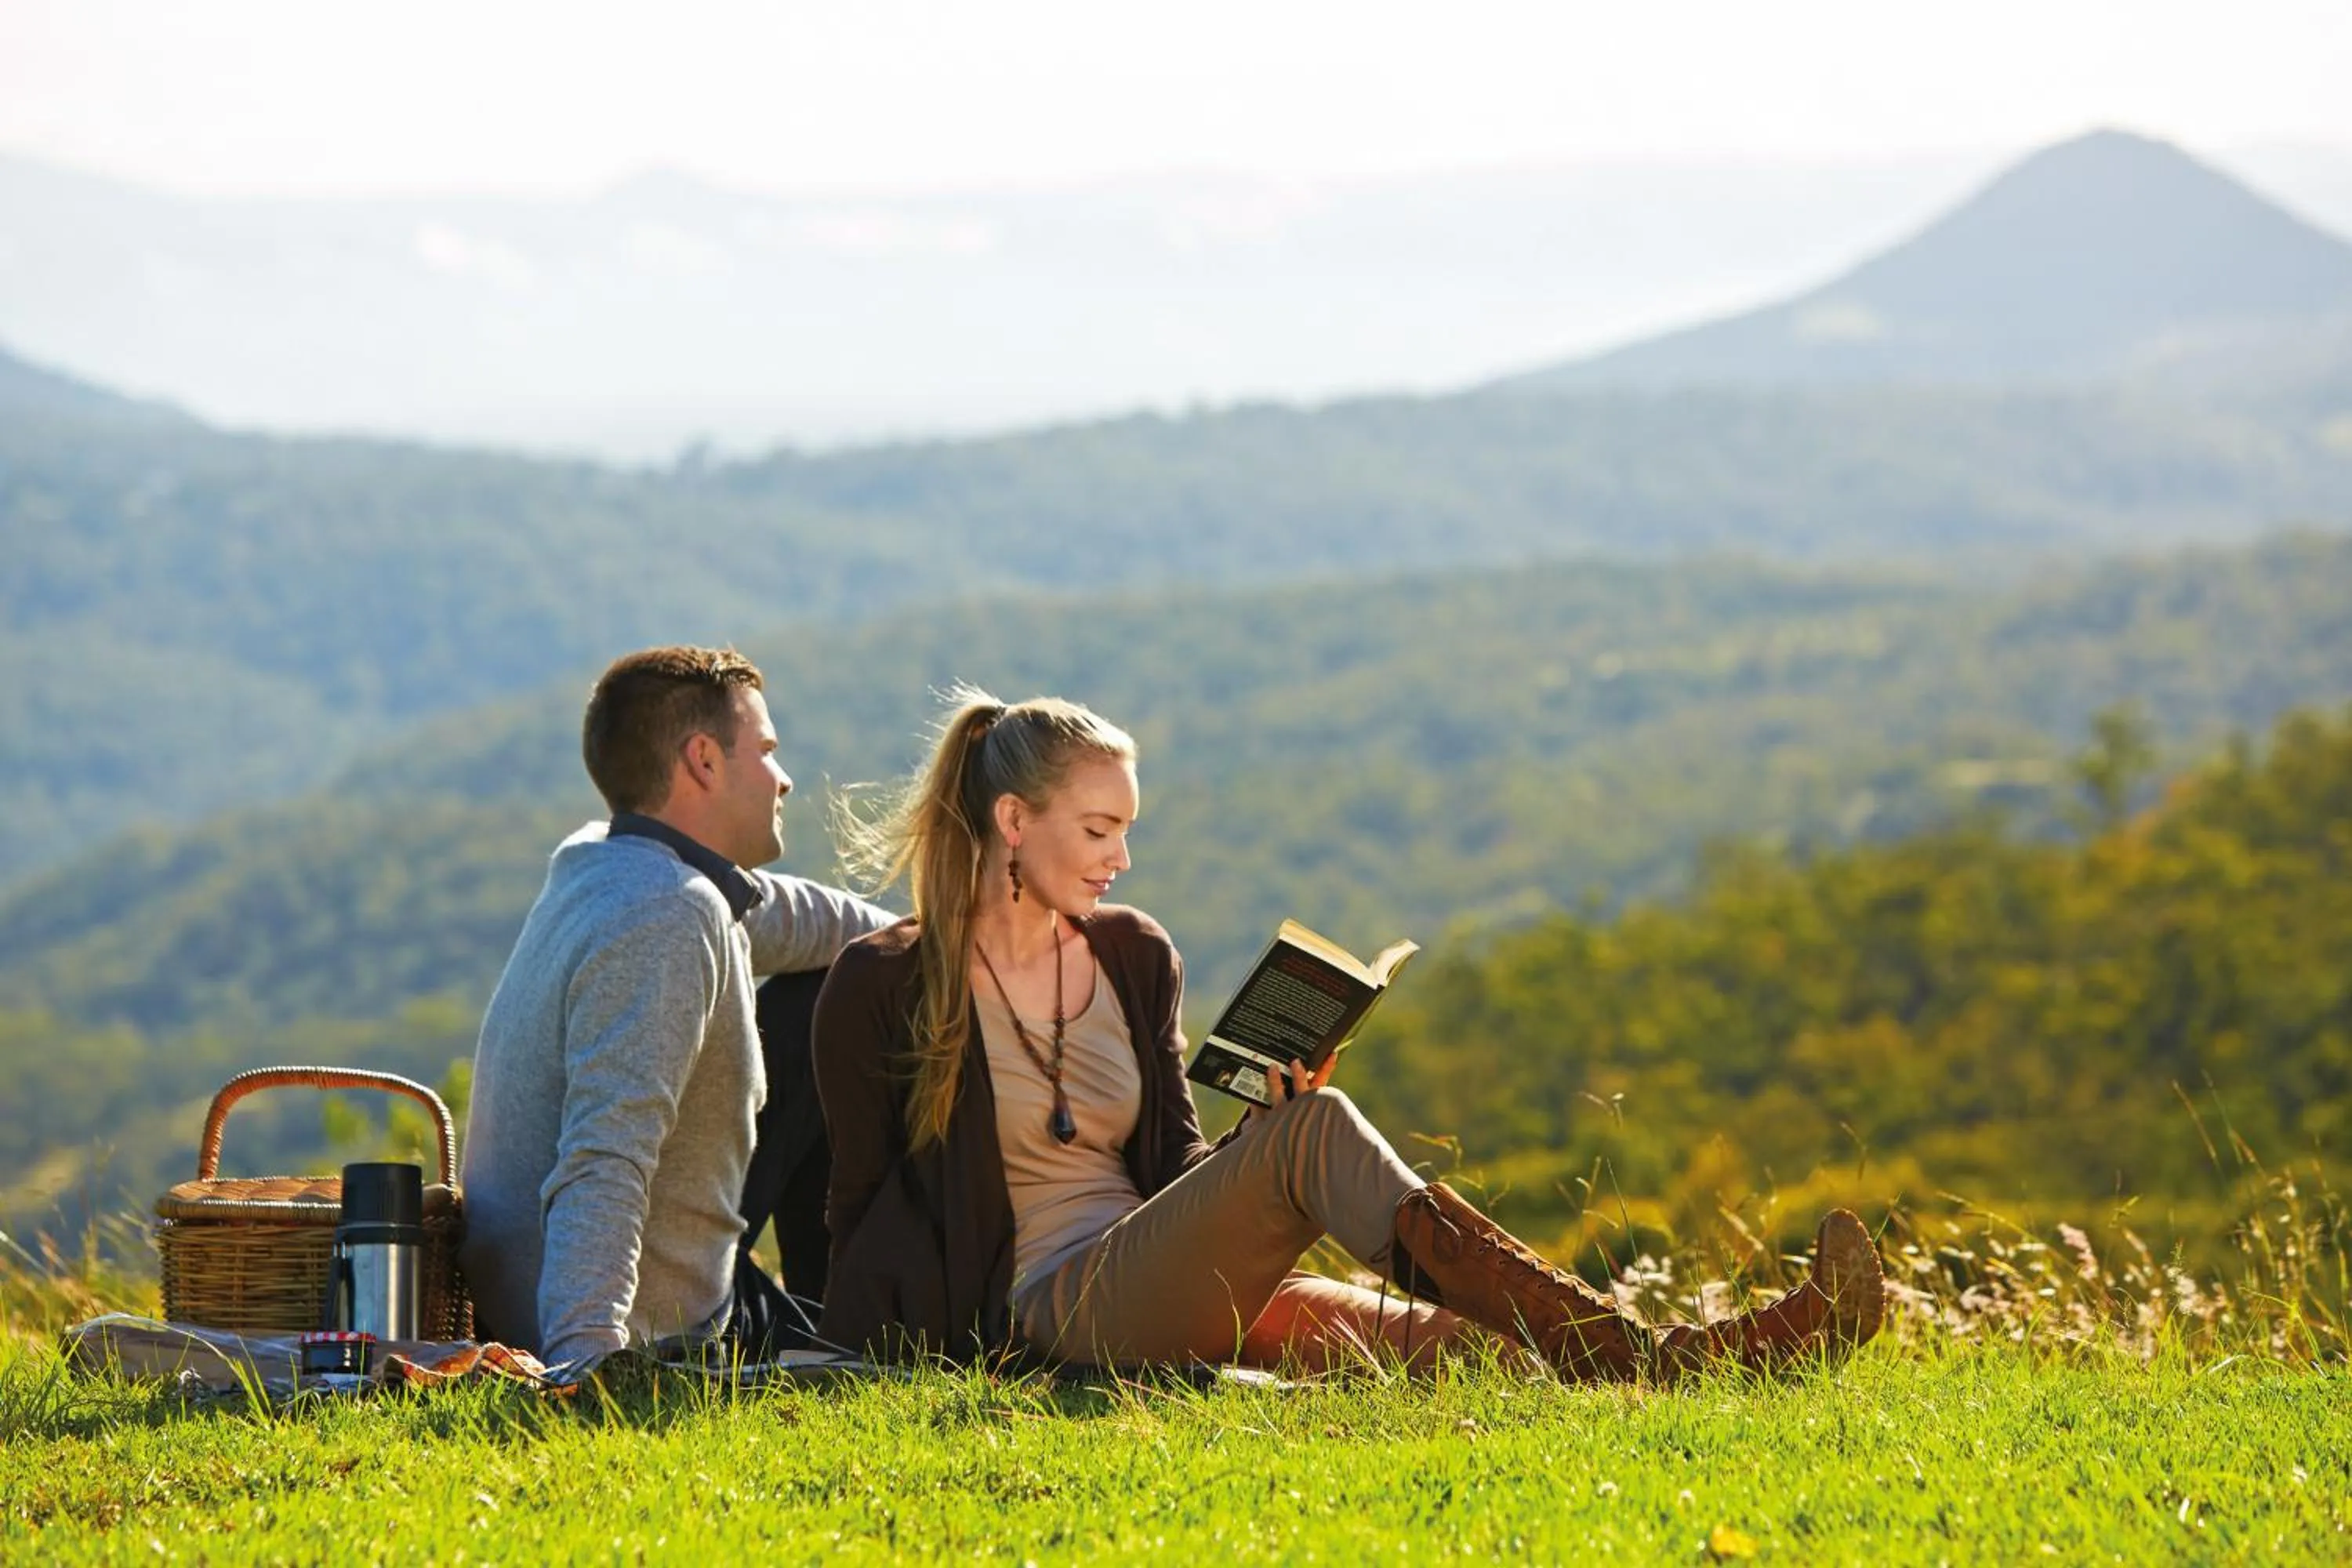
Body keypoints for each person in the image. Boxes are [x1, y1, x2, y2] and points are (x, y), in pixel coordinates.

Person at [812, 689, 1885, 1377]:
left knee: (1466, 1351)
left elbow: (1174, 1169)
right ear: (1013, 822)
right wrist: (899, 1351)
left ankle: (1722, 1358)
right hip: (1046, 1308)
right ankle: (1664, 1358)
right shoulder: (888, 981)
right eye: (1098, 832)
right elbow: (855, 1201)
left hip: (1158, 1274)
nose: (1119, 861)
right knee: (1319, 1131)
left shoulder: (1134, 955)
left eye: (1128, 832)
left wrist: (1252, 1145)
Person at [459, 646, 895, 1375]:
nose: (783, 778)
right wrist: (585, 1359)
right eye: (765, 750)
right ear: (703, 761)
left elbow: (795, 917)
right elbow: (606, 1150)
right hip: (646, 1325)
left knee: (837, 986)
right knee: (907, 1354)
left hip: (562, 1290)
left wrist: (948, 941)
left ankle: (835, 1317)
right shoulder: (666, 915)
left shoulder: (610, 862)